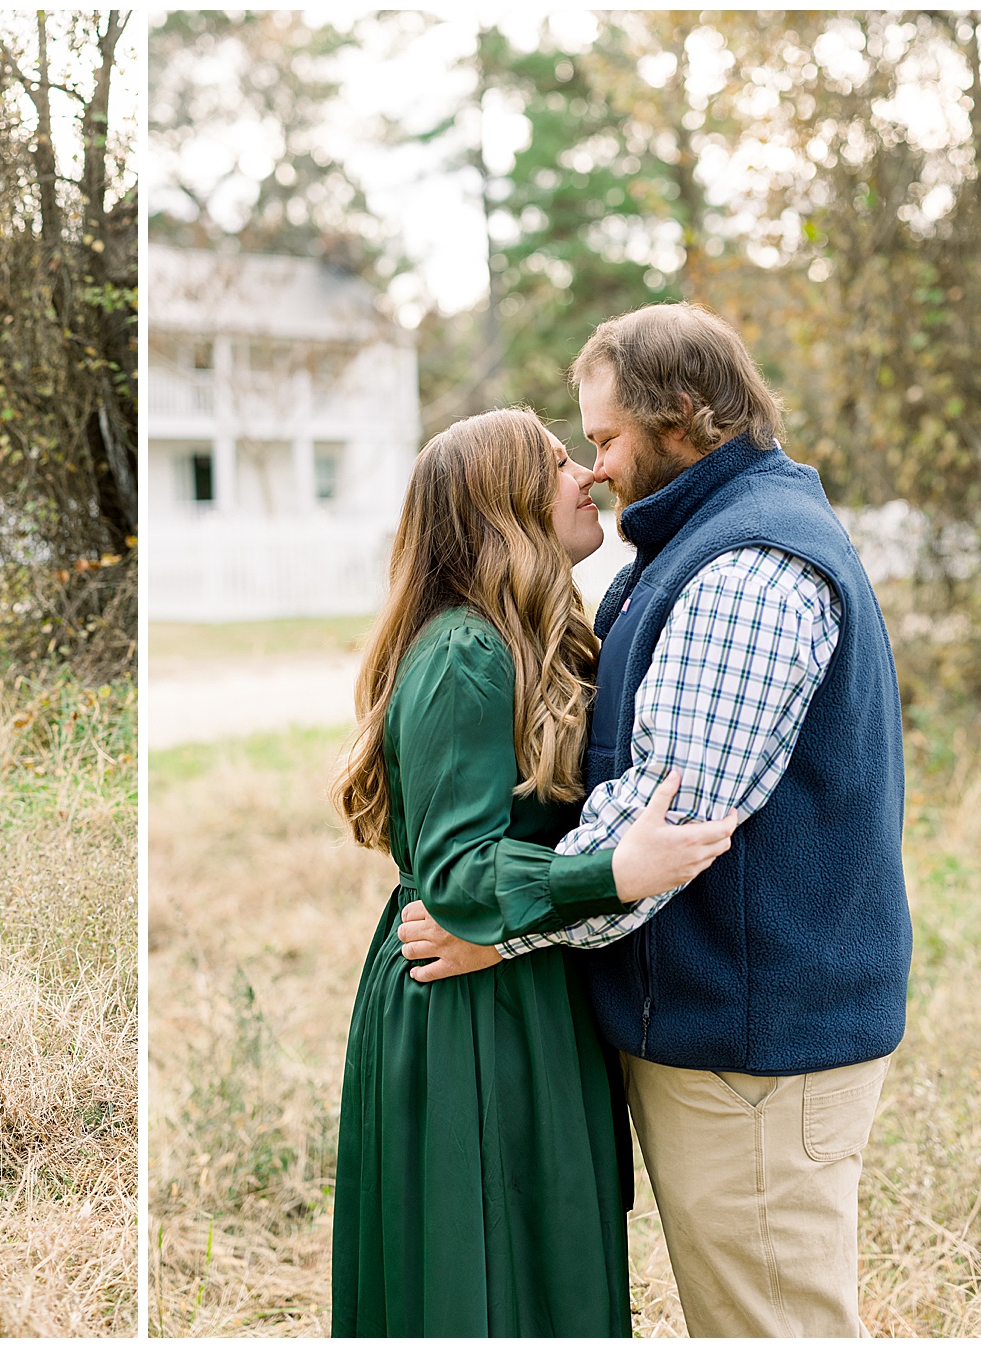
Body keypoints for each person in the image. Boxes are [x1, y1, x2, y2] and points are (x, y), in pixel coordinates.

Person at [401, 304, 911, 1337]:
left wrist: (495, 930)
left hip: (755, 1047)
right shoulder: (688, 550)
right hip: (720, 1034)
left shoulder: (745, 570)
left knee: (770, 1324)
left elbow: (659, 828)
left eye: (604, 439)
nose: (597, 469)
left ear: (682, 414)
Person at [328, 407, 740, 1337]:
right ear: (505, 502)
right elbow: (458, 874)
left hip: (527, 980)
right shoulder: (464, 654)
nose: (587, 476)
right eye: (561, 462)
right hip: (465, 1008)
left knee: (546, 1264)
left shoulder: (543, 637)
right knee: (481, 1279)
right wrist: (613, 871)